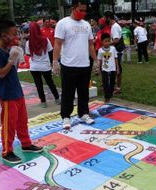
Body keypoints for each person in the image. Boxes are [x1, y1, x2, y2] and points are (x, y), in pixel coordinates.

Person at [0, 20, 43, 164]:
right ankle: (7, 151)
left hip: (17, 91)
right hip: (7, 94)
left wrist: (15, 57)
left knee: (22, 121)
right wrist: (11, 60)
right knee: (9, 124)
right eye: (13, 34)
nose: (16, 37)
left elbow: (14, 68)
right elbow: (1, 73)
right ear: (3, 35)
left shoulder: (8, 49)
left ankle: (26, 144)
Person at [53, 0, 98, 129]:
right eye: (80, 10)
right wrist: (55, 61)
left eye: (85, 11)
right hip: (69, 65)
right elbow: (57, 43)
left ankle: (83, 113)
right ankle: (66, 116)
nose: (83, 13)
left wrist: (95, 60)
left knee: (84, 92)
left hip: (84, 64)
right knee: (68, 92)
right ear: (73, 8)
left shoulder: (86, 25)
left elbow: (90, 45)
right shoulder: (63, 23)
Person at [25, 22, 60, 108]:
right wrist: (53, 63)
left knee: (38, 84)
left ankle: (43, 102)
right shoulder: (45, 40)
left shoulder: (28, 43)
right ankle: (57, 99)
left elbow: (28, 54)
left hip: (34, 66)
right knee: (50, 82)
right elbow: (50, 51)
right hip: (45, 66)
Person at [104, 11, 125, 94]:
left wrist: (107, 44)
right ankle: (114, 86)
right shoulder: (114, 26)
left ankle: (118, 88)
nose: (105, 20)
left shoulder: (114, 27)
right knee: (115, 69)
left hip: (117, 51)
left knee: (117, 70)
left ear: (108, 18)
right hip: (116, 51)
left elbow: (116, 40)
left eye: (105, 18)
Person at [97, 33, 119, 103]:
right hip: (104, 69)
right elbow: (99, 60)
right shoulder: (100, 50)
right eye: (105, 41)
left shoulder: (113, 48)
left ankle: (111, 93)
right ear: (102, 42)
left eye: (108, 41)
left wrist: (117, 68)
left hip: (113, 68)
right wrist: (98, 68)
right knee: (105, 82)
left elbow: (116, 58)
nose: (107, 43)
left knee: (112, 82)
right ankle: (107, 97)